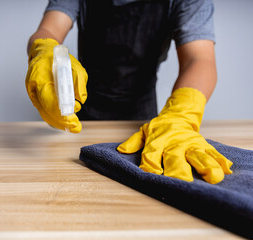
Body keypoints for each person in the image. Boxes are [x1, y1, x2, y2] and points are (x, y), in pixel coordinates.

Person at [25, 0, 233, 184]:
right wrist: (43, 48)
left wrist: (181, 115)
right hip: (80, 121)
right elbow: (49, 29)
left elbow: (199, 59)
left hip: (143, 124)